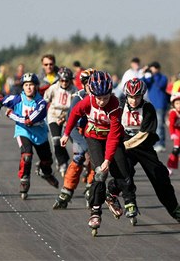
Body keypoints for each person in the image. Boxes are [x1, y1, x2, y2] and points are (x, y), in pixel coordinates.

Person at [60, 71, 138, 235]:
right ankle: (95, 211)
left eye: (105, 97)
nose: (102, 102)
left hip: (112, 138)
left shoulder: (115, 105)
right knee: (100, 174)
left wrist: (108, 159)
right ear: (92, 93)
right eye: (98, 98)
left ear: (111, 93)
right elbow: (74, 114)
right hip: (94, 138)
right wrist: (66, 133)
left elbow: (113, 136)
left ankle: (120, 197)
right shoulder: (88, 101)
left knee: (124, 171)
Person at [118, 78, 180, 223]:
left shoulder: (148, 108)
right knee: (123, 171)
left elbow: (144, 134)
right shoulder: (119, 106)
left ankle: (174, 208)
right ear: (126, 95)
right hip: (125, 144)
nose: (134, 100)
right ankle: (121, 197)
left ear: (142, 95)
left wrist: (125, 145)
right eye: (131, 97)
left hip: (143, 145)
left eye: (137, 97)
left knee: (160, 175)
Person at [0, 73, 59, 200]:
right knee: (26, 156)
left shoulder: (41, 103)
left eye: (31, 85)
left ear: (36, 87)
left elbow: (29, 121)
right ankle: (24, 180)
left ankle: (45, 172)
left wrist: (12, 115)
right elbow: (0, 103)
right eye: (26, 85)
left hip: (39, 134)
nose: (29, 88)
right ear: (23, 87)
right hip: (23, 132)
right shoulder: (16, 99)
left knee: (47, 161)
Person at [52, 68, 96, 210]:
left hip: (96, 131)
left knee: (96, 159)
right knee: (80, 156)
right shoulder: (79, 98)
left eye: (95, 83)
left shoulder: (104, 97)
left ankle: (91, 186)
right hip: (78, 130)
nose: (92, 87)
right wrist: (84, 145)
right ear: (83, 85)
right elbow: (71, 125)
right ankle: (67, 190)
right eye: (89, 84)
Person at [43, 67, 79, 176]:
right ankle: (62, 162)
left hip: (67, 116)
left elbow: (75, 107)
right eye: (62, 80)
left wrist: (65, 118)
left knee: (70, 139)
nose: (64, 83)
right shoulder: (53, 88)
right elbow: (45, 101)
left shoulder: (74, 90)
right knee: (55, 139)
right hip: (54, 115)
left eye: (66, 81)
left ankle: (74, 159)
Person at [142, 61, 170, 152]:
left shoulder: (162, 77)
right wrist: (145, 73)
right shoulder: (150, 77)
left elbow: (160, 85)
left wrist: (153, 76)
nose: (151, 70)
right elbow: (142, 83)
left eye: (152, 68)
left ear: (157, 69)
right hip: (151, 105)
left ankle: (160, 143)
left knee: (160, 125)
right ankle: (153, 143)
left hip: (160, 104)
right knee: (152, 125)